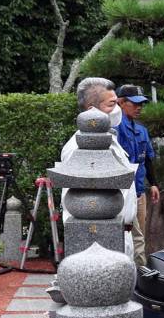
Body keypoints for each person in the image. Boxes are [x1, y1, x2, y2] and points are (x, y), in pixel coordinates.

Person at [59, 77, 137, 259]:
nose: (117, 110)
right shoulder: (78, 147)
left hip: (120, 231)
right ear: (91, 111)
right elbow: (75, 198)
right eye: (111, 105)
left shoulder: (110, 138)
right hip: (97, 236)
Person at [115, 84, 158, 266]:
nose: (139, 107)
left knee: (139, 237)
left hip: (139, 192)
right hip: (123, 193)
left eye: (141, 104)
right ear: (121, 103)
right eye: (134, 104)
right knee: (135, 239)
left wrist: (154, 184)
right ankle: (140, 279)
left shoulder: (142, 130)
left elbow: (147, 159)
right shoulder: (115, 128)